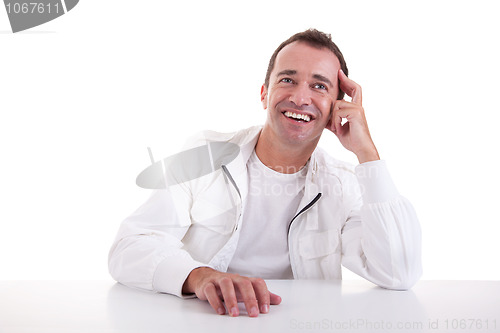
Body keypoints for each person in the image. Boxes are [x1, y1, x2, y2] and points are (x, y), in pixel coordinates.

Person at [108, 28, 422, 317]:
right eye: (287, 80)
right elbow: (129, 247)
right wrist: (197, 276)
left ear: (335, 107)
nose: (300, 98)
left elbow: (399, 273)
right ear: (263, 94)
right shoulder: (203, 155)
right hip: (207, 321)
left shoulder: (345, 185)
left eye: (319, 86)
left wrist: (367, 154)